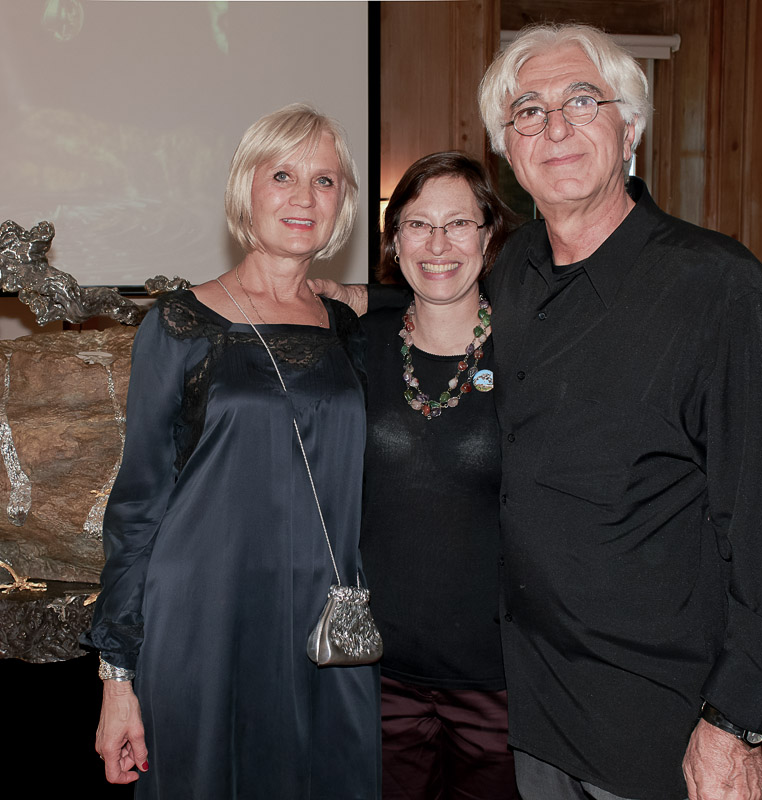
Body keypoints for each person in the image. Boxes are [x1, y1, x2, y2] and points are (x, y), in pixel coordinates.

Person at [473, 23, 762, 800]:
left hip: (659, 729)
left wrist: (736, 725)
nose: (554, 126)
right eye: (527, 110)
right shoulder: (509, 279)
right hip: (531, 712)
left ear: (629, 126)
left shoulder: (718, 290)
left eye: (581, 100)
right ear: (508, 146)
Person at [81, 103, 381, 799]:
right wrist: (117, 678)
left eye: (326, 181)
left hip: (329, 630)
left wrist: (365, 292)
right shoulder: (181, 323)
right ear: (246, 190)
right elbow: (138, 505)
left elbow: (450, 287)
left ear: (346, 206)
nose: (304, 197)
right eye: (282, 174)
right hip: (203, 626)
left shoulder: (347, 328)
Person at [358, 152, 518, 800]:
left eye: (458, 224)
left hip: (499, 683)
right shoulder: (357, 343)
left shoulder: (531, 353)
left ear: (488, 235)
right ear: (395, 242)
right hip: (376, 674)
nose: (439, 244)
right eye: (419, 225)